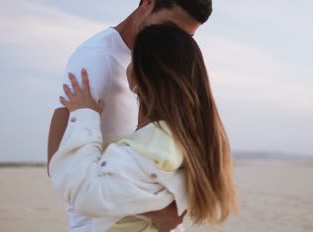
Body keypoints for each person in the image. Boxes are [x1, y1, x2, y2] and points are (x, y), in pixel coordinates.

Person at [47, 0, 213, 231]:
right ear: (149, 1)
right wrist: (152, 209)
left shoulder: (160, 67)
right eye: (171, 28)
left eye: (186, 37)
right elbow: (57, 160)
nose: (175, 42)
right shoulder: (97, 57)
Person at [49, 24, 239, 232]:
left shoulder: (154, 142)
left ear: (144, 72)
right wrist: (151, 209)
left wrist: (85, 116)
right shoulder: (182, 137)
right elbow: (149, 188)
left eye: (133, 58)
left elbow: (87, 193)